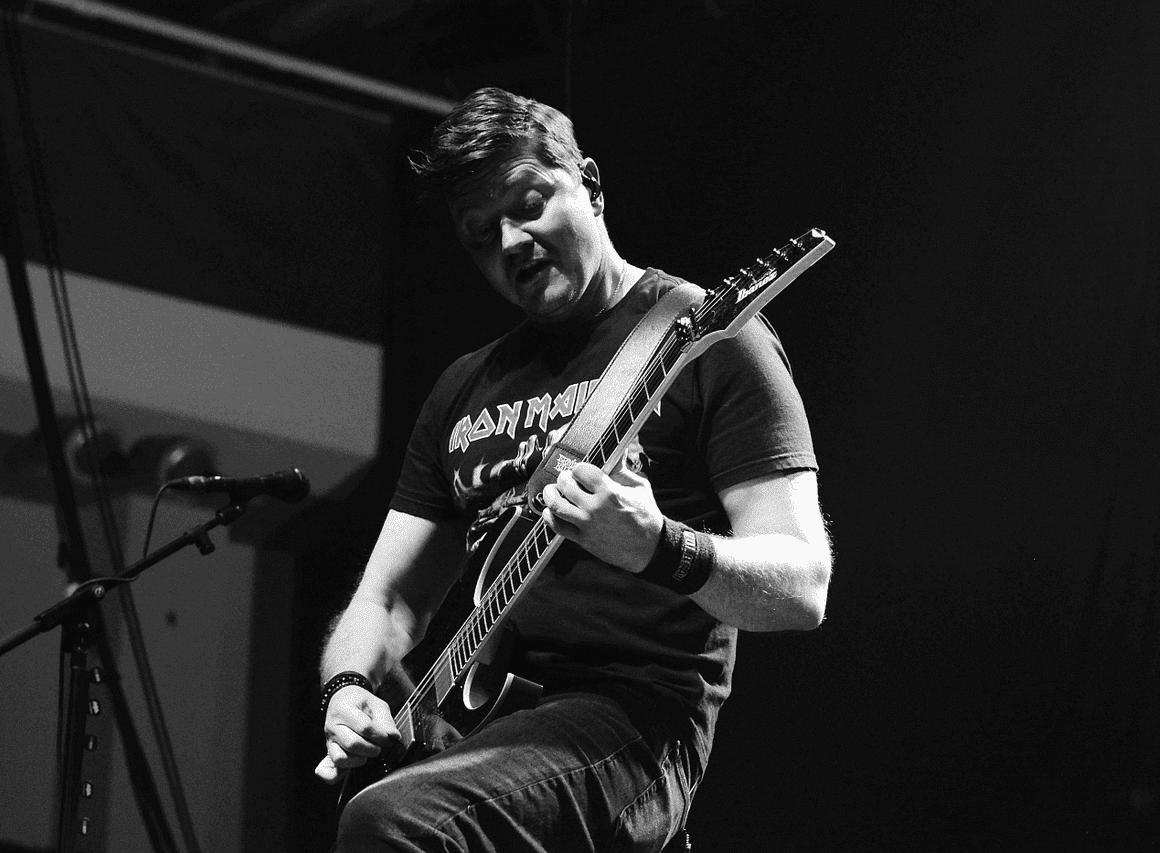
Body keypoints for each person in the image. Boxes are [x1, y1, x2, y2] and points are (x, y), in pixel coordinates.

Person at [316, 86, 832, 852]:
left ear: (589, 183)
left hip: (633, 721)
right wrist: (348, 686)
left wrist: (659, 546)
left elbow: (802, 585)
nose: (511, 241)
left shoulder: (708, 342)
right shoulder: (464, 387)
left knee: (394, 820)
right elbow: (386, 600)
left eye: (528, 204)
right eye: (482, 233)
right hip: (486, 728)